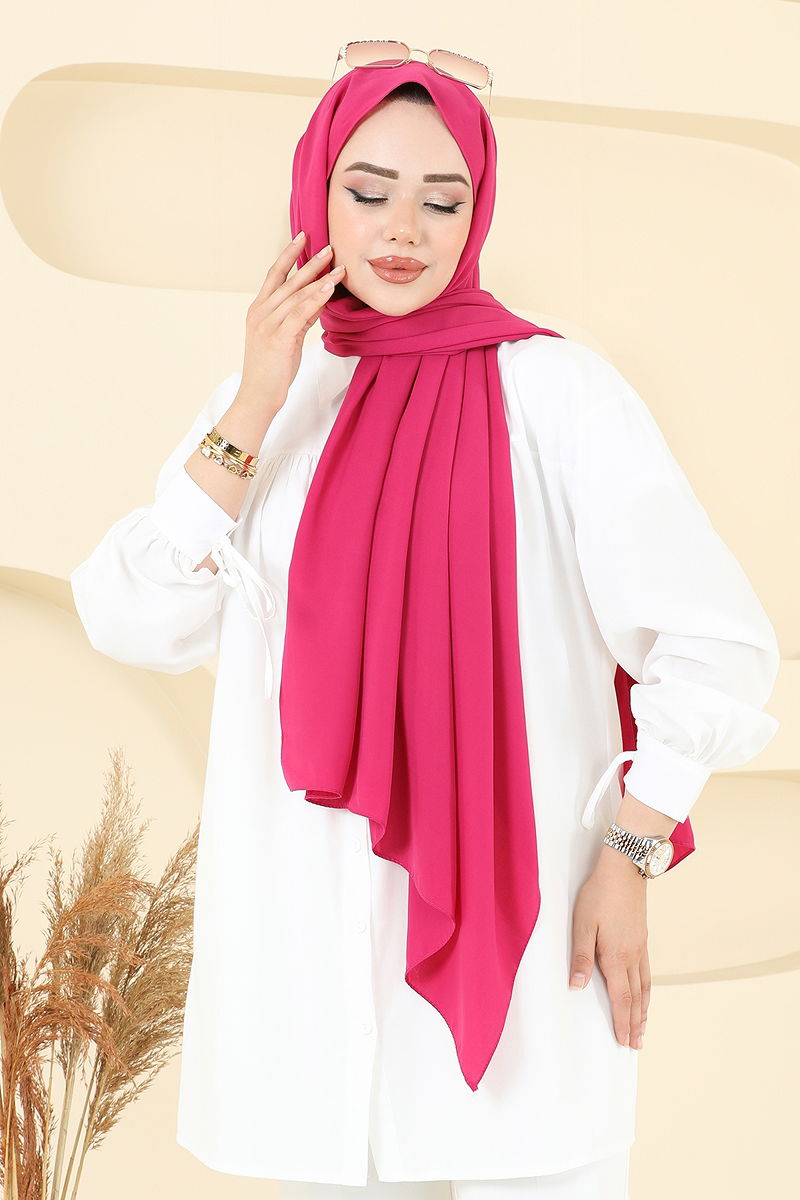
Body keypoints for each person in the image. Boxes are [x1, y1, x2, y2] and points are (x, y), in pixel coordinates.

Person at [69, 56, 780, 1200]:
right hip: (307, 971)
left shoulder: (555, 392)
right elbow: (134, 617)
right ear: (315, 196)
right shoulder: (272, 405)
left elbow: (713, 644)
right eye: (367, 192)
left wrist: (629, 854)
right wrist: (255, 396)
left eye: (442, 201)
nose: (404, 229)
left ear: (477, 212)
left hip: (534, 957)